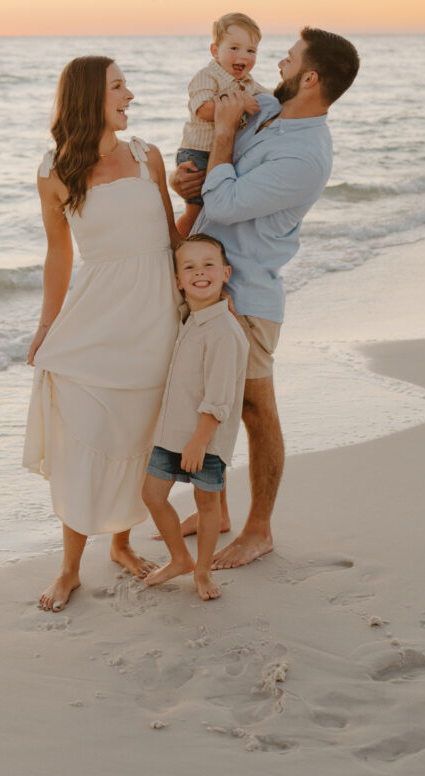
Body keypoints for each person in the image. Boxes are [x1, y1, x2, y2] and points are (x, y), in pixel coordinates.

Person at [171, 26, 360, 569]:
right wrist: (189, 180)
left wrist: (225, 136)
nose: (275, 62)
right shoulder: (270, 110)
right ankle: (219, 511)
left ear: (311, 78)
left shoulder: (307, 156)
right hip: (208, 282)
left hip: (248, 295)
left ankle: (259, 530)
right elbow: (214, 179)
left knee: (256, 410)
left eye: (290, 58)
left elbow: (227, 202)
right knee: (202, 399)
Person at [23, 55, 180, 612]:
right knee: (87, 438)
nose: (130, 95)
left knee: (136, 435)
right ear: (91, 97)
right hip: (96, 321)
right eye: (119, 86)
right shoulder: (54, 172)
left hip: (155, 318)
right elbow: (59, 255)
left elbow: (171, 235)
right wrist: (46, 327)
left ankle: (121, 543)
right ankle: (69, 568)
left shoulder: (148, 158)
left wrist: (201, 301)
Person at [142, 234, 249, 601]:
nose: (199, 272)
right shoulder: (189, 317)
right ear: (177, 280)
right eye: (189, 267)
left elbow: (220, 399)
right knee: (152, 495)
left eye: (208, 265)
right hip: (172, 433)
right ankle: (179, 559)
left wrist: (199, 441)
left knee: (208, 508)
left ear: (225, 273)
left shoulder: (223, 332)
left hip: (205, 439)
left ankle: (202, 571)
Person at [174, 12, 265, 237]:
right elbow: (203, 109)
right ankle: (179, 246)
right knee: (197, 213)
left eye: (250, 51)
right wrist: (238, 103)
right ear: (215, 51)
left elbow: (270, 101)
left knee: (216, 213)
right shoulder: (207, 77)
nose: (242, 56)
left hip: (224, 153)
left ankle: (204, 251)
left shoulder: (247, 83)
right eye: (234, 48)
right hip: (198, 154)